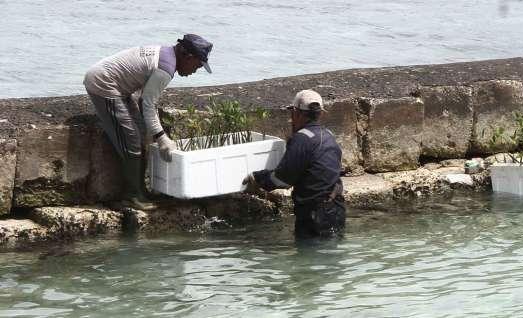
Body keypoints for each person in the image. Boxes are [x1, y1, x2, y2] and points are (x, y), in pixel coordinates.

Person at [83, 34, 213, 210]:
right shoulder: (165, 69)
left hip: (119, 86)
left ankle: (139, 190)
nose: (194, 71)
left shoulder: (166, 55)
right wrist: (162, 138)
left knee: (140, 130)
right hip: (104, 83)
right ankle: (131, 196)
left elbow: (144, 100)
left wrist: (154, 131)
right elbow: (148, 105)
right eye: (197, 65)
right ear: (187, 56)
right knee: (131, 139)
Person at [242, 89, 346, 238]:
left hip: (314, 214)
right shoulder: (329, 135)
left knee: (309, 256)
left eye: (292, 114)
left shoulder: (301, 139)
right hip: (337, 209)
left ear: (296, 113)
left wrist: (256, 178)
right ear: (320, 114)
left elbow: (282, 180)